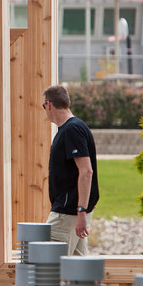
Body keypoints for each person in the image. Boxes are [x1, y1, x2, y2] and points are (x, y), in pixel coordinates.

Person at [43, 84, 99, 256]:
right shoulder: (69, 129)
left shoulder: (72, 129)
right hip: (73, 212)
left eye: (43, 106)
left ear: (49, 105)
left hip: (67, 212)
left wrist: (81, 211)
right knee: (78, 271)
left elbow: (86, 171)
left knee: (48, 267)